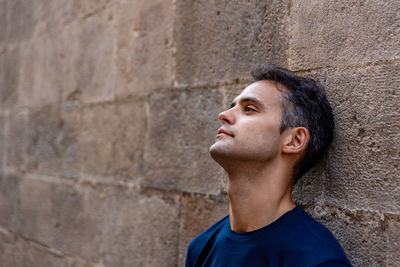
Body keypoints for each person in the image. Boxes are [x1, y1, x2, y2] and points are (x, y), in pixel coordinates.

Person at [185, 63, 352, 267]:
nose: (224, 115)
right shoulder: (201, 248)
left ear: (294, 140)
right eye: (232, 106)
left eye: (249, 109)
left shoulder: (318, 261)